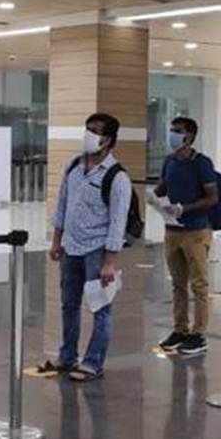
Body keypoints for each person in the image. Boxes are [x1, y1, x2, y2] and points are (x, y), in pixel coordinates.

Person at [41, 112, 132, 382]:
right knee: (68, 304)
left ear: (109, 140)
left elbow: (117, 222)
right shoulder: (74, 166)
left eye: (96, 131)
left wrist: (109, 261)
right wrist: (57, 240)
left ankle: (93, 362)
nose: (89, 135)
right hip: (71, 247)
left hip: (97, 250)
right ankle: (67, 356)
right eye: (88, 129)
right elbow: (63, 205)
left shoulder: (117, 177)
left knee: (100, 309)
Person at [155, 117, 218, 355]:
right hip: (172, 231)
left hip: (195, 231)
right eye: (171, 130)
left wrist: (185, 208)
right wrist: (156, 196)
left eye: (177, 131)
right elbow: (163, 187)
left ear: (189, 136)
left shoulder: (201, 163)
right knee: (177, 284)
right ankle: (179, 329)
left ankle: (198, 333)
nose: (172, 135)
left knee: (199, 284)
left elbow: (212, 197)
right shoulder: (169, 161)